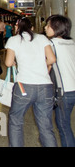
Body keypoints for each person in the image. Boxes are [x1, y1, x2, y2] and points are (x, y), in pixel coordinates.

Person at [5, 17, 57, 147]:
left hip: (24, 86)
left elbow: (8, 63)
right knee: (46, 126)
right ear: (32, 28)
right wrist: (40, 66)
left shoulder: (13, 40)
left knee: (16, 121)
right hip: (45, 86)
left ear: (17, 28)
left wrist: (18, 63)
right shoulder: (42, 38)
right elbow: (51, 59)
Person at [45, 15, 75, 147]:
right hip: (72, 88)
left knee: (64, 127)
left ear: (56, 28)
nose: (45, 28)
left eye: (48, 25)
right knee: (65, 125)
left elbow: (48, 65)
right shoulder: (71, 42)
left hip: (63, 91)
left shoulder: (52, 44)